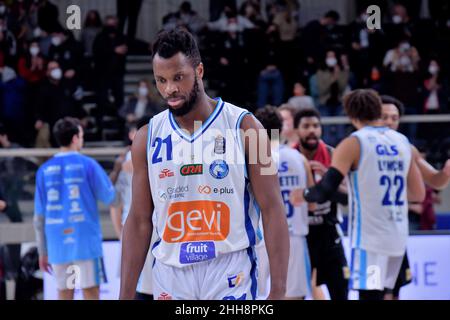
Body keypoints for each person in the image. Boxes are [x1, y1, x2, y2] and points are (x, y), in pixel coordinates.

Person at [119, 27, 289, 300]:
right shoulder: (145, 138)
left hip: (230, 270)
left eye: (178, 77)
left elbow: (273, 209)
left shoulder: (248, 128)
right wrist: (125, 295)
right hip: (170, 273)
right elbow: (139, 221)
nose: (169, 89)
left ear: (199, 71)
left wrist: (279, 289)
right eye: (160, 80)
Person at [291, 89, 425, 300]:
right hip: (397, 238)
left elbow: (326, 189)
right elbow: (418, 193)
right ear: (378, 110)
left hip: (370, 241)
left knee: (369, 295)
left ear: (351, 115)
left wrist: (303, 195)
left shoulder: (354, 143)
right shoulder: (401, 141)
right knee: (388, 294)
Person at [33, 117, 117, 300]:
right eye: (81, 135)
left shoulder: (43, 171)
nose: (82, 139)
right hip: (84, 240)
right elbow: (111, 197)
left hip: (57, 243)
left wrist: (42, 251)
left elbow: (38, 218)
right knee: (91, 292)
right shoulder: (88, 165)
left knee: (65, 293)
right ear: (74, 138)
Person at [380, 94, 450, 300]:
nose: (390, 122)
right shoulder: (358, 144)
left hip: (396, 231)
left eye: (394, 118)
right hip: (368, 235)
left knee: (395, 289)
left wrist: (445, 173)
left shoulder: (405, 147)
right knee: (373, 290)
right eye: (384, 117)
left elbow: (435, 182)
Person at [254, 106, 314, 300]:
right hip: (293, 236)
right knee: (293, 296)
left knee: (255, 296)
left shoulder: (252, 158)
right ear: (280, 128)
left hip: (261, 237)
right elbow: (312, 204)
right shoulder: (300, 158)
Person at [292, 108, 350, 300]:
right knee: (296, 294)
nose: (312, 130)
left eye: (316, 126)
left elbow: (349, 198)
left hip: (328, 232)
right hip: (300, 235)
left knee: (341, 291)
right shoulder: (289, 157)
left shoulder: (334, 155)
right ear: (296, 130)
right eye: (306, 126)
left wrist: (328, 179)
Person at [110, 120, 154, 300]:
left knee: (143, 284)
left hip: (155, 228)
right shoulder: (126, 161)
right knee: (140, 284)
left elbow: (114, 202)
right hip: (139, 227)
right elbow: (115, 201)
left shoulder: (133, 160)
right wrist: (121, 233)